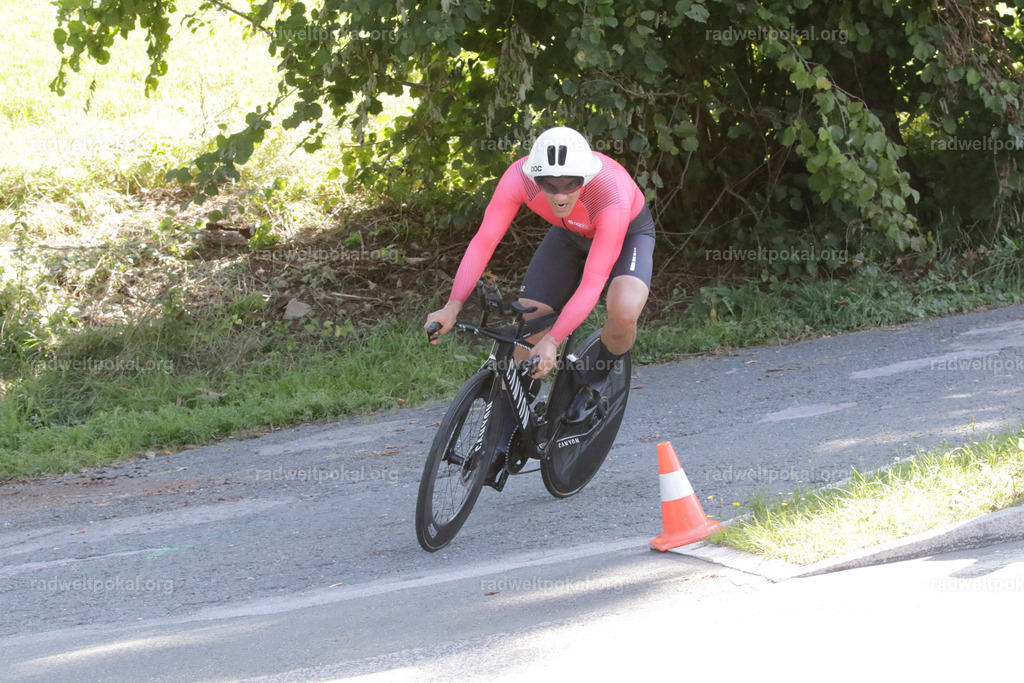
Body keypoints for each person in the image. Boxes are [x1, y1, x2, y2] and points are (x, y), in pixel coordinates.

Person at [424, 125, 655, 426]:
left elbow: (592, 282)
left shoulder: (608, 193)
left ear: (585, 178)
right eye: (548, 184)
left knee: (623, 311)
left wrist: (554, 341)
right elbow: (485, 241)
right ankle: (504, 429)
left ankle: (595, 381)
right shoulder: (519, 178)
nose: (560, 196)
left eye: (571, 184)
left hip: (627, 236)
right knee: (530, 321)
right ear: (535, 179)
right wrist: (453, 304)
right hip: (569, 233)